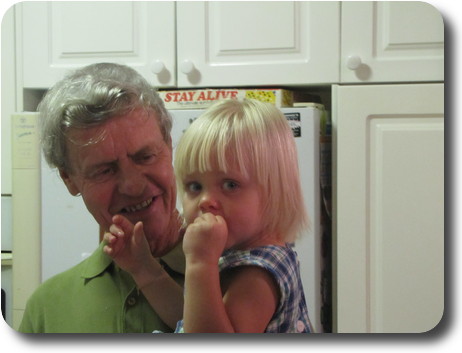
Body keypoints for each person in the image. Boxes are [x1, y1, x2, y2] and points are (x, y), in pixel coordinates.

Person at [105, 99, 312, 333]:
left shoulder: (256, 276)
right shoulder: (247, 255)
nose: (205, 201)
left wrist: (200, 262)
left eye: (230, 185)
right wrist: (143, 267)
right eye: (194, 186)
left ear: (275, 191)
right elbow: (188, 318)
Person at [18, 62, 184, 333]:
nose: (133, 185)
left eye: (145, 156)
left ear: (169, 145)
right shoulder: (47, 308)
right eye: (104, 170)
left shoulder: (240, 280)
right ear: (69, 179)